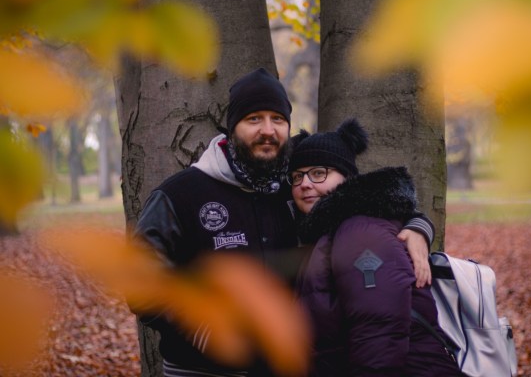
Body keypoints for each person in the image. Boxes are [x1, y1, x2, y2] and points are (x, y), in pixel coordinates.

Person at [133, 68, 436, 377]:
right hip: (200, 370)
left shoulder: (294, 188)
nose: (268, 130)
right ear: (231, 128)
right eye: (254, 119)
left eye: (277, 119)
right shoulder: (180, 194)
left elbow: (365, 202)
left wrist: (417, 227)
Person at [290, 119, 463, 377]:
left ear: (347, 178)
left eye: (318, 173)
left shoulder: (360, 231)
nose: (304, 183)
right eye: (297, 176)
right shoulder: (330, 232)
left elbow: (379, 337)